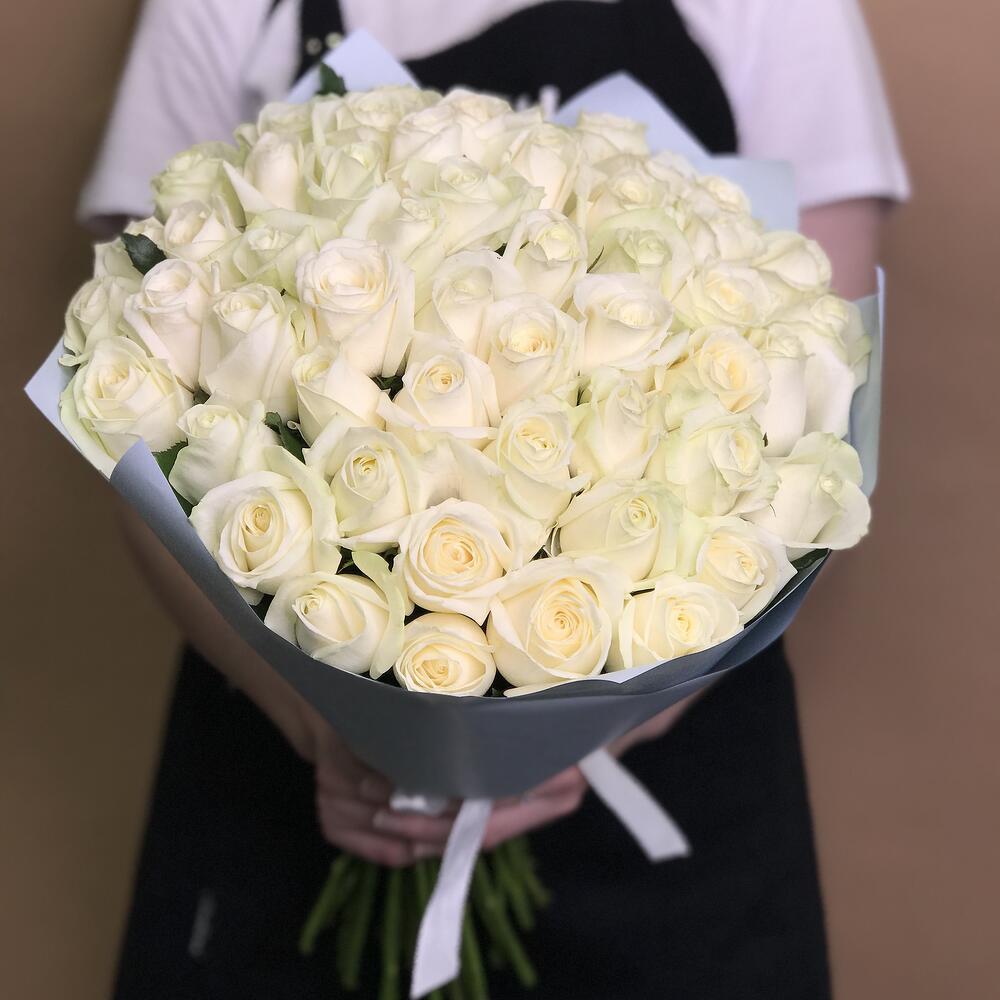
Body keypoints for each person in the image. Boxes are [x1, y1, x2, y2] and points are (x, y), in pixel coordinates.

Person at [81, 2, 908, 997]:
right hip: (281, 769)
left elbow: (821, 408)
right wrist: (315, 725)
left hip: (675, 790)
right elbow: (131, 402)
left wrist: (597, 727)